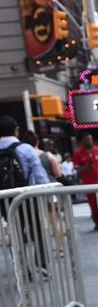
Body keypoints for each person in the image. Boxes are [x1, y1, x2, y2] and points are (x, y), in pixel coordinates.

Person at [0, 116, 51, 275]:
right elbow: (39, 174)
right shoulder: (25, 148)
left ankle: (21, 268)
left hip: (5, 199)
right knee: (39, 229)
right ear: (16, 130)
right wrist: (50, 194)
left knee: (15, 234)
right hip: (27, 197)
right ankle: (41, 263)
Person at [72, 133, 98, 228]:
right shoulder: (78, 153)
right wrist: (86, 167)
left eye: (90, 139)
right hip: (88, 182)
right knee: (93, 202)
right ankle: (97, 221)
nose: (89, 141)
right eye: (87, 139)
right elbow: (77, 169)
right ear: (83, 141)